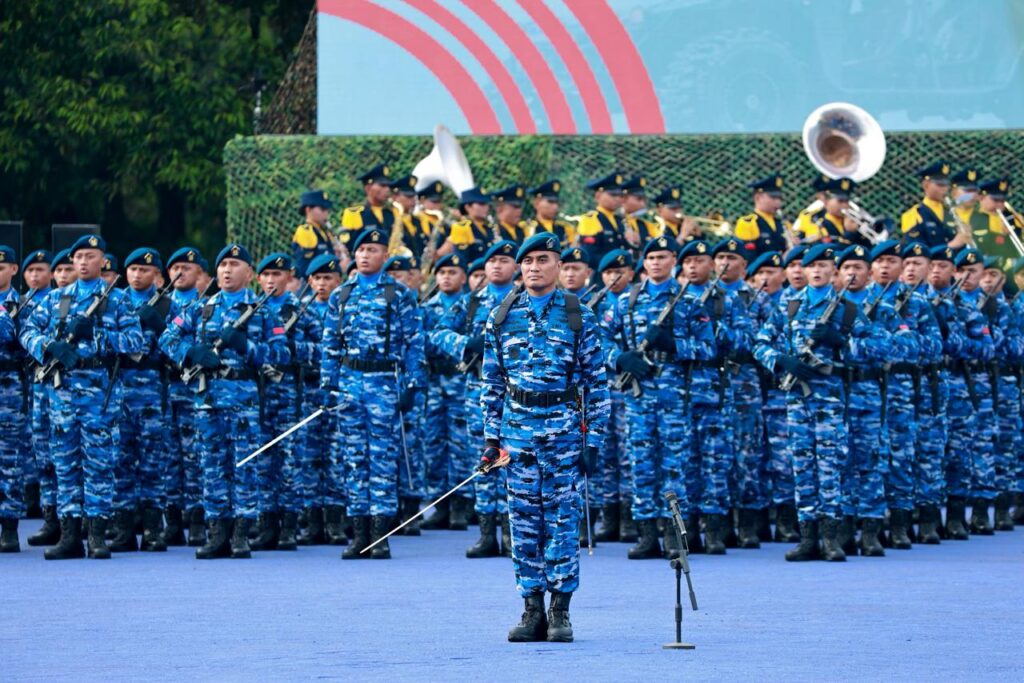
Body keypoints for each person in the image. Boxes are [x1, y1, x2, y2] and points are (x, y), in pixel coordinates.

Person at [479, 231, 609, 643]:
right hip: (517, 436)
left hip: (564, 433)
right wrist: (490, 439)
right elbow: (492, 382)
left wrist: (593, 442)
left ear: (559, 266)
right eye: (528, 261)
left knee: (562, 522)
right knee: (523, 524)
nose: (534, 267)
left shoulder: (578, 315)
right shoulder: (502, 315)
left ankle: (560, 610)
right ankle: (532, 607)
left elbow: (596, 384)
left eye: (543, 260)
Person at [159, 243, 290, 559]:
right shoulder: (201, 308)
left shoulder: (264, 311)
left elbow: (282, 354)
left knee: (244, 465)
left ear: (249, 273)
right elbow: (167, 338)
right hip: (208, 397)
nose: (227, 270)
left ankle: (241, 533)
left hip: (244, 398)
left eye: (235, 264)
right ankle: (217, 532)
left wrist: (247, 347)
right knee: (212, 465)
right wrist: (191, 353)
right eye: (223, 265)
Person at [21, 234, 144, 560]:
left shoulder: (116, 299)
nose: (85, 262)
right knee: (65, 465)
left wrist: (98, 335)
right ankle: (70, 535)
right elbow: (27, 331)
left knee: (99, 465)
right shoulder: (57, 298)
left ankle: (98, 535)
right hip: (63, 395)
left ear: (102, 260)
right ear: (73, 261)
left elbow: (136, 342)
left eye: (91, 256)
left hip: (100, 396)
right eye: (79, 257)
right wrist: (49, 346)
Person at [754, 244, 879, 562]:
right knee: (802, 465)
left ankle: (831, 537)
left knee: (830, 465)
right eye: (812, 266)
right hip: (797, 397)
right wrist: (782, 361)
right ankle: (808, 536)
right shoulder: (790, 306)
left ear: (834, 271)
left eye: (824, 266)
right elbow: (760, 343)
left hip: (830, 399)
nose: (818, 271)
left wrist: (842, 342)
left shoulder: (847, 309)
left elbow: (874, 349)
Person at [606, 235, 716, 560]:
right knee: (641, 463)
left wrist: (674, 346)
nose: (656, 263)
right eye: (651, 257)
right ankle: (646, 534)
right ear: (644, 262)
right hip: (638, 395)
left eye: (663, 257)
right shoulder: (626, 301)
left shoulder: (689, 301)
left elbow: (709, 348)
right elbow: (598, 339)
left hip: (674, 396)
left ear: (673, 262)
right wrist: (620, 358)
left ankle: (674, 533)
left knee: (674, 465)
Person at [320, 228, 425, 560]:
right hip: (350, 383)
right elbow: (330, 345)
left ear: (385, 255)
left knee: (382, 458)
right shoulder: (341, 295)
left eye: (373, 250)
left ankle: (380, 534)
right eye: (361, 250)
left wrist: (413, 385)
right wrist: (328, 385)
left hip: (384, 383)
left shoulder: (399, 294)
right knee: (354, 459)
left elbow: (414, 343)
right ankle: (359, 532)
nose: (365, 255)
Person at [431, 240, 520, 557]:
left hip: (516, 393)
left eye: (504, 261)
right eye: (491, 261)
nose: (496, 266)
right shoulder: (470, 302)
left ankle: (511, 533)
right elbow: (437, 332)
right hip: (479, 391)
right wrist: (465, 344)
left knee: (513, 460)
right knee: (483, 459)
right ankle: (486, 534)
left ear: (516, 267)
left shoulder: (524, 300)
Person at [252, 253, 318, 552]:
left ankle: (289, 525)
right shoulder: (252, 310)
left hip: (291, 392)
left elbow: (324, 348)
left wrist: (294, 347)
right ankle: (266, 524)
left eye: (277, 275)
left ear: (289, 278)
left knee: (289, 459)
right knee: (262, 458)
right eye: (265, 275)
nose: (270, 280)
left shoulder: (303, 310)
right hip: (258, 392)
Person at [113, 247, 174, 553]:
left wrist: (162, 328)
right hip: (118, 388)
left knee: (153, 460)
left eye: (144, 270)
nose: (137, 275)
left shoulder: (168, 305)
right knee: (120, 459)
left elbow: (180, 350)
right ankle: (124, 528)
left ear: (157, 275)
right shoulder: (114, 302)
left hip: (152, 390)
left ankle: (152, 529)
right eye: (133, 269)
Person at [162, 247, 209, 547]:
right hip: (165, 388)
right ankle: (172, 520)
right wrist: (186, 352)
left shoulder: (206, 306)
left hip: (195, 390)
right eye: (175, 267)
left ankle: (197, 519)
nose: (180, 273)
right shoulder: (159, 305)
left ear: (200, 274)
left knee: (195, 456)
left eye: (187, 268)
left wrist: (189, 353)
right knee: (169, 457)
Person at [589, 249, 636, 543]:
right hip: (602, 388)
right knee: (604, 455)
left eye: (619, 272)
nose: (613, 277)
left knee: (628, 455)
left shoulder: (637, 301)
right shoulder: (592, 304)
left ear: (631, 273)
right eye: (607, 273)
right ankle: (609, 514)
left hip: (631, 389)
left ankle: (630, 516)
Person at [420, 253, 470, 530]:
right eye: (442, 273)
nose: (446, 277)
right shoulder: (427, 308)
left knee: (461, 443)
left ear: (463, 277)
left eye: (452, 272)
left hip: (461, 380)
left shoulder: (471, 305)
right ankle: (440, 503)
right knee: (434, 442)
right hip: (435, 380)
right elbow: (421, 343)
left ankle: (461, 504)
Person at [298, 253, 343, 545]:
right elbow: (294, 347)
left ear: (338, 281)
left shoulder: (345, 307)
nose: (322, 284)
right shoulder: (300, 311)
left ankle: (336, 521)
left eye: (328, 278)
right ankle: (313, 520)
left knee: (337, 455)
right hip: (309, 390)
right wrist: (324, 352)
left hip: (339, 391)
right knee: (310, 455)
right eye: (317, 278)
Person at [0, 245, 25, 552]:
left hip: (9, 389)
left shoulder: (23, 304)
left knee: (8, 459)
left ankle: (8, 526)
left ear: (13, 269)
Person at [900, 160, 971, 249]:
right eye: (940, 185)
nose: (945, 189)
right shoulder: (914, 215)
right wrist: (952, 245)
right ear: (926, 185)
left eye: (947, 184)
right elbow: (916, 251)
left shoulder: (952, 213)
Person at [576, 172, 630, 270]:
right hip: (601, 272)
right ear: (598, 195)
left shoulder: (620, 220)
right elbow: (589, 254)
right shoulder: (590, 219)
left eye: (620, 195)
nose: (617, 199)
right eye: (613, 194)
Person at [734, 174, 790, 257]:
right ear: (758, 197)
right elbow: (748, 257)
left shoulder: (784, 224)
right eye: (773, 197)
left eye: (779, 198)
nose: (778, 202)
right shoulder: (747, 223)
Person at [292, 189, 339, 278]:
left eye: (327, 210)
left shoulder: (324, 231)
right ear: (308, 210)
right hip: (311, 281)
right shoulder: (305, 232)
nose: (326, 213)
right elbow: (306, 267)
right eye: (322, 209)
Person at [440, 186, 494, 262]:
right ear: (468, 207)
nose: (486, 207)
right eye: (481, 204)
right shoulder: (461, 228)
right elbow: (461, 259)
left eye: (486, 204)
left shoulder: (489, 227)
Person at [525, 180, 575, 248]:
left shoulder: (566, 228)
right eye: (550, 202)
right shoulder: (527, 228)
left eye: (556, 202)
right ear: (537, 203)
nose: (555, 206)